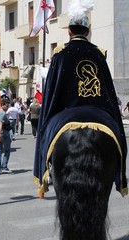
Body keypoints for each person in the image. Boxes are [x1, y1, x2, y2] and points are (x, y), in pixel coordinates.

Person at [33, 7, 127, 197]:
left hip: (66, 112)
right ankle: (120, 175)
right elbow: (108, 91)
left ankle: (45, 170)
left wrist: (47, 120)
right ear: (87, 30)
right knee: (118, 138)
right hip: (98, 111)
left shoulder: (59, 54)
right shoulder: (99, 54)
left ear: (69, 30)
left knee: (46, 135)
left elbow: (52, 92)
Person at [0, 98, 12, 175]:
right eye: (7, 106)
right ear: (3, 105)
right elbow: (0, 124)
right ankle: (4, 166)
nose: (7, 108)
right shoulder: (3, 113)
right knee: (7, 150)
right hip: (3, 134)